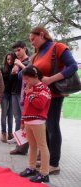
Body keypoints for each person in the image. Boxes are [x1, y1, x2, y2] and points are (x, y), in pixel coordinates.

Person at [29, 26, 78, 174]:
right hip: (42, 96)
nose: (32, 43)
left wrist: (51, 79)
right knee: (46, 128)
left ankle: (54, 163)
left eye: (33, 39)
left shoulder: (58, 47)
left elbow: (73, 66)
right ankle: (47, 159)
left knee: (52, 127)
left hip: (54, 95)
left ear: (42, 34)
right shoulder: (37, 55)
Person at [19, 65, 51, 183]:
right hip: (28, 121)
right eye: (24, 78)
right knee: (32, 146)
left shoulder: (44, 88)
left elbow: (40, 104)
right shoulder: (30, 88)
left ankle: (44, 173)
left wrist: (30, 94)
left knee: (42, 146)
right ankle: (31, 167)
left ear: (35, 76)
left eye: (27, 78)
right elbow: (26, 107)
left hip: (38, 121)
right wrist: (22, 121)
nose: (25, 81)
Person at [8, 41, 30, 155]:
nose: (17, 53)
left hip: (25, 94)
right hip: (15, 92)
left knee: (25, 120)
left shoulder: (29, 61)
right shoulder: (17, 62)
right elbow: (12, 79)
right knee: (17, 119)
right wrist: (13, 70)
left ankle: (24, 147)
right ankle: (19, 145)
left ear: (24, 48)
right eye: (15, 51)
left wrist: (20, 66)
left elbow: (31, 74)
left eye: (19, 50)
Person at [0, 53, 16, 142]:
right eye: (8, 59)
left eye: (11, 59)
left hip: (13, 93)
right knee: (4, 113)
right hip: (5, 93)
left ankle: (10, 133)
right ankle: (3, 132)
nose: (9, 61)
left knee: (10, 114)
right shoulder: (2, 69)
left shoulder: (16, 68)